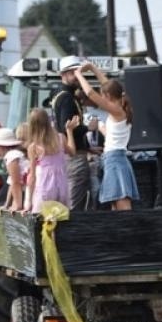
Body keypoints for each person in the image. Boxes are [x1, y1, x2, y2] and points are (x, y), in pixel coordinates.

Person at [77, 61, 138, 211]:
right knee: (115, 204)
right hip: (114, 158)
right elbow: (108, 85)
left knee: (121, 203)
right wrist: (92, 68)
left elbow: (91, 93)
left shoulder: (117, 111)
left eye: (104, 95)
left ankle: (130, 231)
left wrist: (78, 75)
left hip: (115, 159)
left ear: (108, 96)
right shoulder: (121, 106)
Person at [53, 56, 101, 210]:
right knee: (75, 205)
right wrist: (89, 128)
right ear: (63, 75)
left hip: (71, 155)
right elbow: (66, 128)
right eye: (73, 72)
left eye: (78, 72)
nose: (77, 76)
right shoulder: (67, 98)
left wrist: (87, 147)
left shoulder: (63, 95)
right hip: (74, 158)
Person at [24, 107, 70, 211]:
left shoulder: (34, 147)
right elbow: (72, 151)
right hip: (62, 186)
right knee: (61, 220)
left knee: (41, 222)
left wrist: (29, 202)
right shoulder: (60, 138)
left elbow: (32, 177)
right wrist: (70, 131)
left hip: (45, 186)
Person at [0, 126, 27, 212]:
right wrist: (7, 204)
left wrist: (17, 205)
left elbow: (15, 182)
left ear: (1, 147)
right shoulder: (15, 154)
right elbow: (12, 182)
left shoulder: (12, 156)